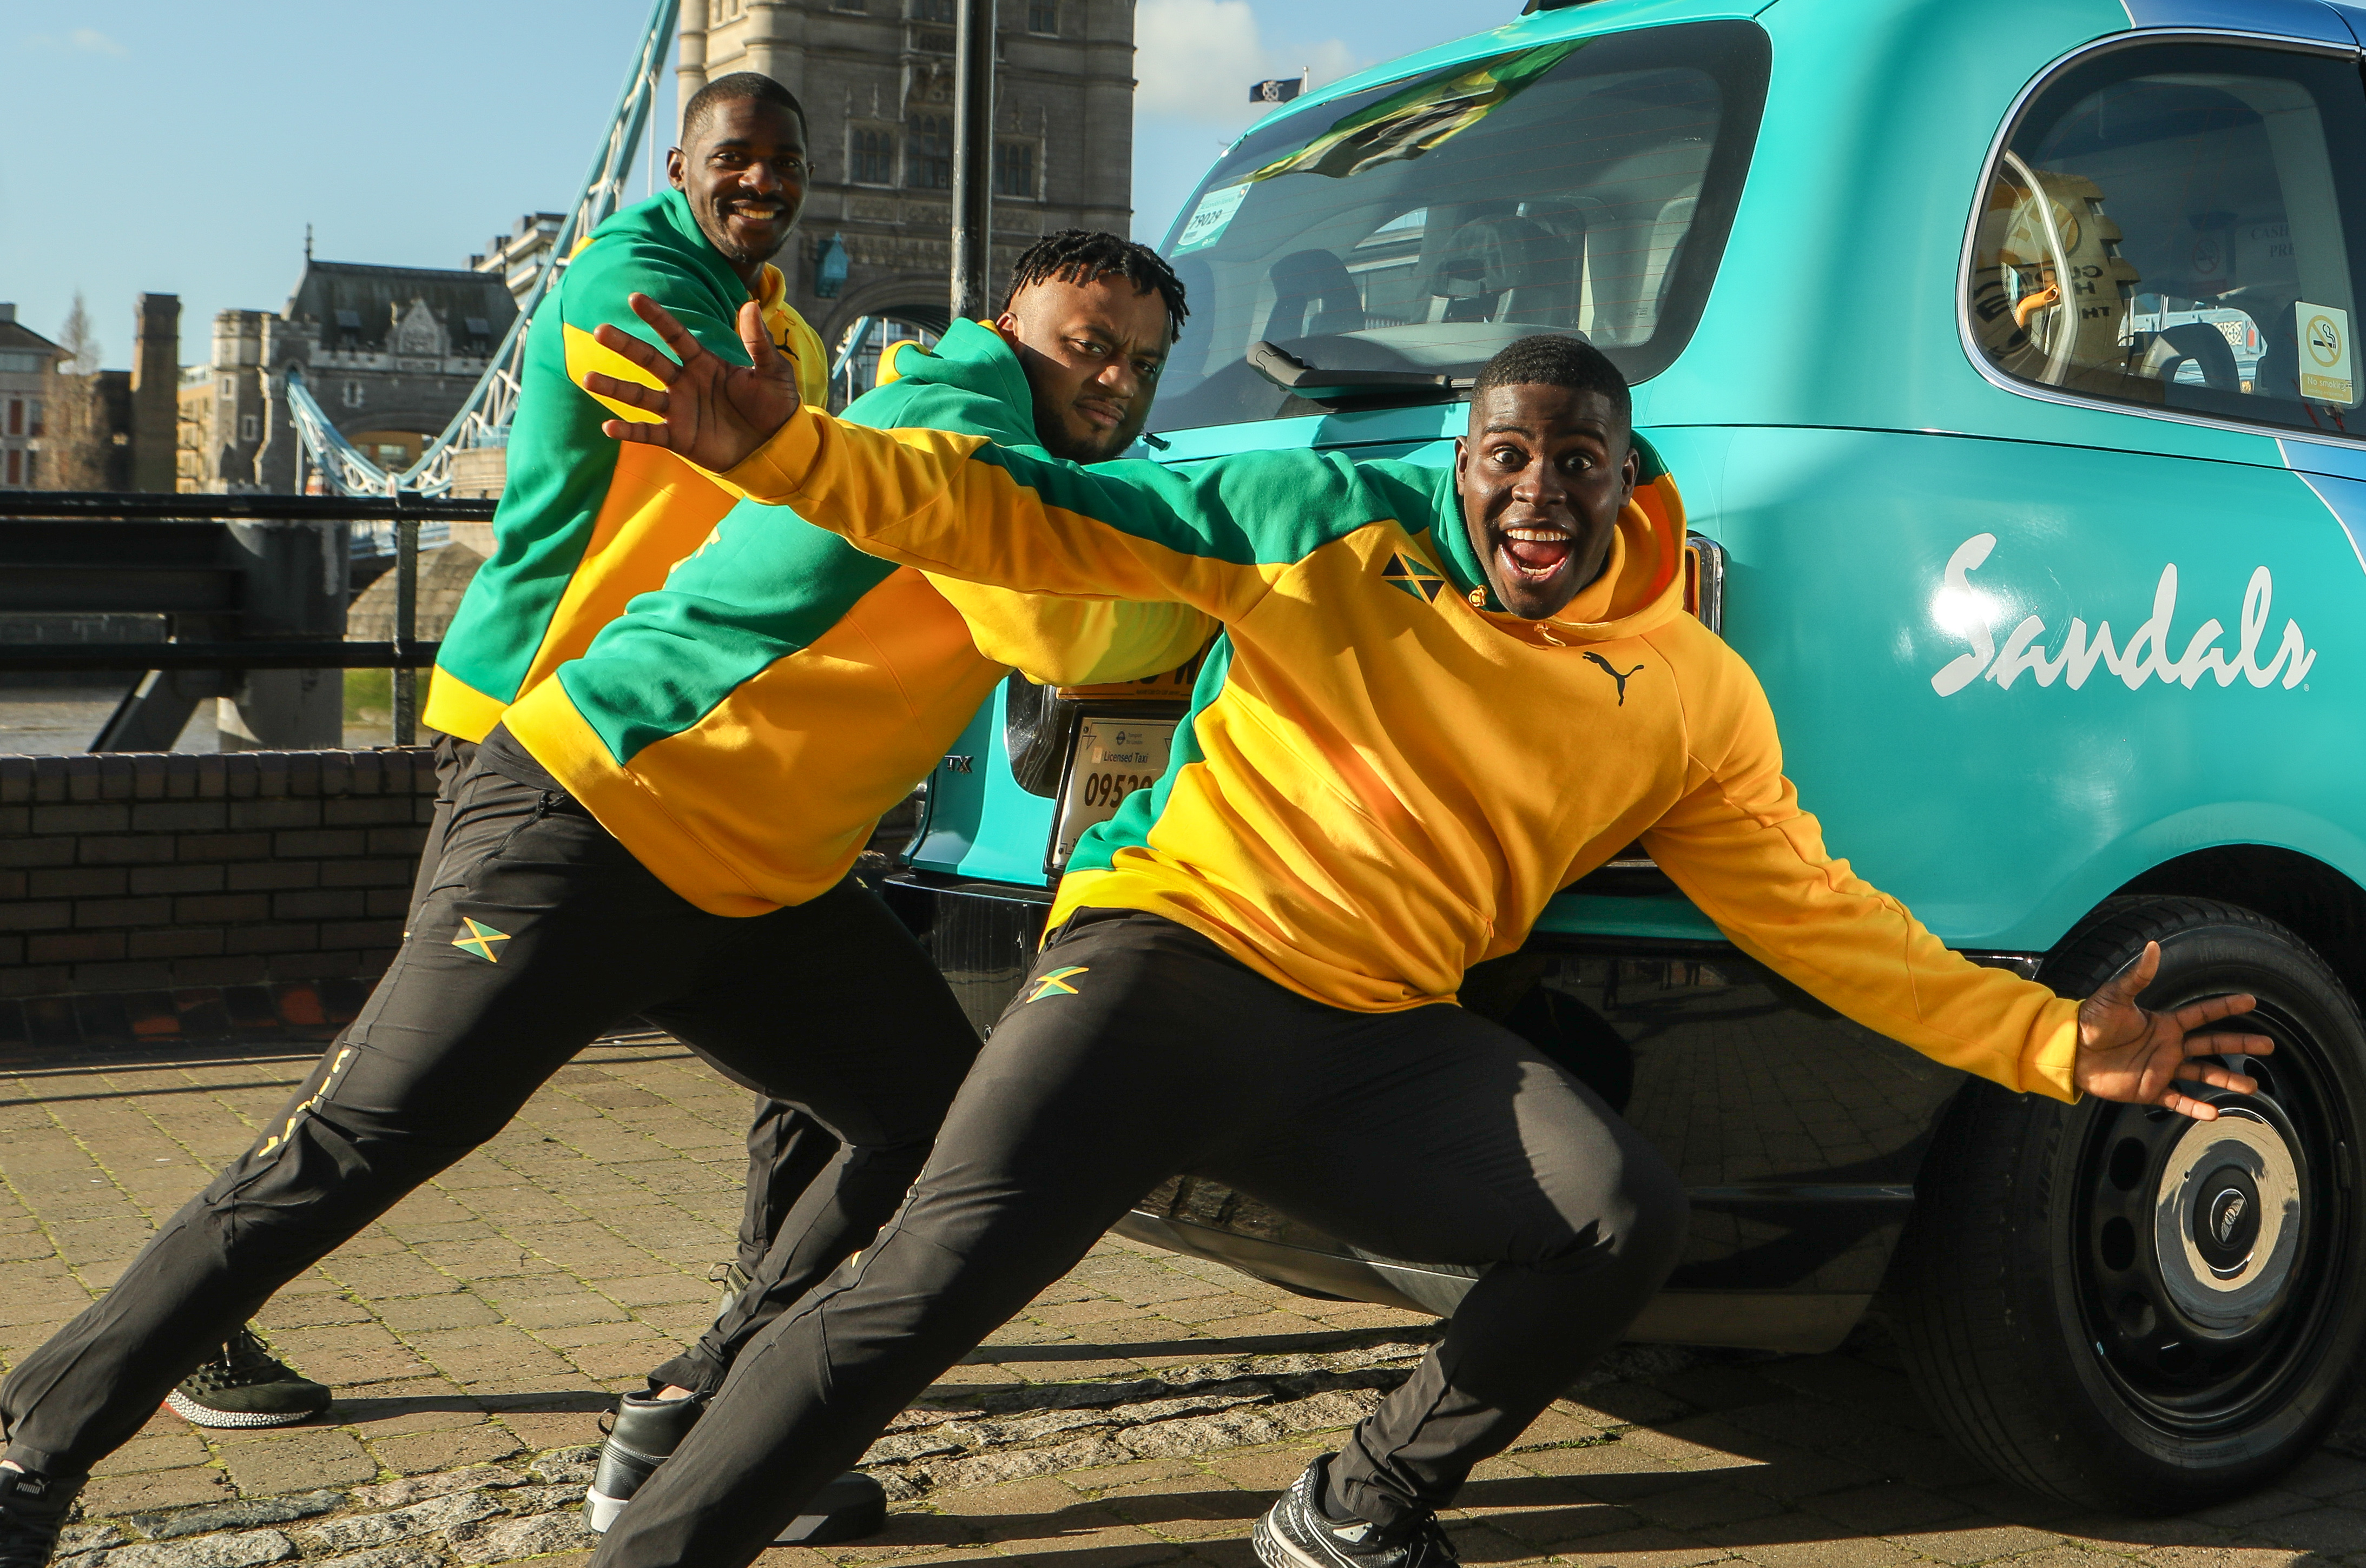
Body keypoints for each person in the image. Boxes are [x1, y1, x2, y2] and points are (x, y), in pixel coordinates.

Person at [572, 320, 2270, 1568]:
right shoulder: (1331, 523)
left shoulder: (1686, 691)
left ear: (1626, 481)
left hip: (1375, 1038)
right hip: (1163, 965)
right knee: (926, 1288)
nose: (1536, 494)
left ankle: (1354, 1504)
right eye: (1505, 457)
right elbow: (1026, 512)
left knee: (1617, 1217)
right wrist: (785, 454)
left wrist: (2055, 1043)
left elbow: (1823, 921)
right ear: (1463, 464)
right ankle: (663, 1537)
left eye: (1576, 463)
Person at [0, 235, 1205, 1568]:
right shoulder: (948, 414)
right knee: (353, 1147)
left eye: (1143, 364)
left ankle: (695, 1427)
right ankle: (32, 1447)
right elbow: (1063, 629)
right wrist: (1219, 597)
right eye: (1086, 344)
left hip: (764, 887)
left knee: (935, 1125)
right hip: (596, 816)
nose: (1113, 382)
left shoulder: (1075, 474)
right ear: (1003, 323)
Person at [147, 75, 834, 1438]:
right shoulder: (624, 281)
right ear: (680, 166)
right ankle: (192, 1318)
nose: (760, 182)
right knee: (404, 1087)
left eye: (783, 162)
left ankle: (764, 1319)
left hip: (685, 748)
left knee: (835, 1059)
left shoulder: (784, 326)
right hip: (540, 731)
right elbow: (769, 448)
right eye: (733, 160)